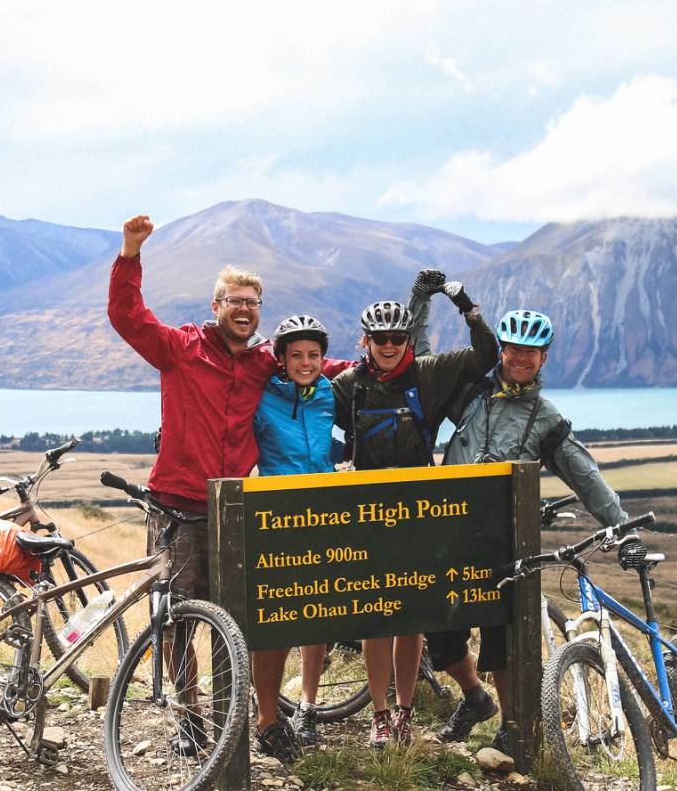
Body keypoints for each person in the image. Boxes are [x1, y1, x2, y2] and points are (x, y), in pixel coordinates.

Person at [106, 214, 352, 757]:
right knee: (175, 619)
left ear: (259, 312)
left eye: (252, 303)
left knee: (232, 618)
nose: (244, 309)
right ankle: (188, 714)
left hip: (234, 508)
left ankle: (231, 716)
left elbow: (323, 367)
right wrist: (129, 254)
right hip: (175, 503)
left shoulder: (268, 361)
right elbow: (128, 316)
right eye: (234, 300)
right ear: (215, 307)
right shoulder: (180, 348)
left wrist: (387, 363)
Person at [428, 308, 629, 752]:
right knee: (438, 628)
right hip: (451, 532)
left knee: (502, 637)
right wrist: (423, 302)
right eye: (514, 348)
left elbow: (585, 475)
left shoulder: (545, 416)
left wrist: (622, 527)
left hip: (506, 540)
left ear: (544, 358)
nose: (520, 357)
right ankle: (475, 698)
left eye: (531, 352)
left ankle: (514, 730)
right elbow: (420, 368)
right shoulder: (469, 392)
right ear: (501, 351)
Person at [331, 271, 495, 747]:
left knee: (409, 617)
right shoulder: (349, 384)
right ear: (365, 340)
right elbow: (312, 415)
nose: (389, 345)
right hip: (366, 514)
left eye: (397, 338)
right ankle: (379, 716)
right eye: (380, 338)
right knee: (374, 618)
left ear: (407, 340)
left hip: (418, 513)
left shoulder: (427, 373)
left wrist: (463, 301)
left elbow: (485, 355)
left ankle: (403, 713)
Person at [247, 314, 340, 760]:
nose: (306, 362)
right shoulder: (262, 394)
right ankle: (266, 714)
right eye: (296, 355)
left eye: (313, 355)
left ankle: (307, 706)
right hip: (276, 516)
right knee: (275, 621)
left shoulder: (328, 393)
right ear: (280, 359)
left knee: (315, 614)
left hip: (320, 514)